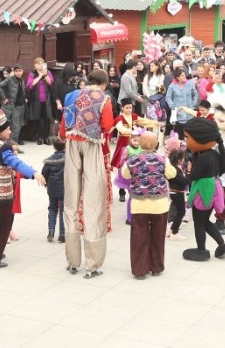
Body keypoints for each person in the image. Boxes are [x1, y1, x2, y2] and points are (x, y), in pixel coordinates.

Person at [62, 69, 116, 279]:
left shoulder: (71, 95)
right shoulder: (104, 98)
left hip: (71, 144)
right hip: (92, 145)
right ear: (103, 83)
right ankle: (92, 265)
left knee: (71, 201)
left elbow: (64, 123)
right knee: (94, 201)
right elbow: (107, 126)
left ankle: (72, 261)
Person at [0, 107, 44, 269]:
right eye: (7, 128)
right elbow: (16, 163)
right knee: (3, 225)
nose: (10, 131)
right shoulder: (3, 147)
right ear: (0, 130)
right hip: (1, 194)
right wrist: (34, 173)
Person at [121, 131, 176, 279]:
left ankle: (140, 270)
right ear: (156, 144)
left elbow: (125, 174)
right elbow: (172, 174)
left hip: (139, 204)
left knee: (139, 237)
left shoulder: (132, 160)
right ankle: (156, 267)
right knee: (158, 236)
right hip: (160, 205)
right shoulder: (163, 159)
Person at [180, 115, 225, 262]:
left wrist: (188, 169)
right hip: (212, 189)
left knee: (199, 223)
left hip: (203, 192)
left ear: (200, 139)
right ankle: (222, 245)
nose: (186, 141)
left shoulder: (203, 158)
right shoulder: (213, 153)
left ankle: (201, 250)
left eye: (187, 138)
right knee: (205, 221)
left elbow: (194, 176)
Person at [41, 137, 66, 243]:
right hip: (65, 188)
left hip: (52, 188)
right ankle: (62, 234)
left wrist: (47, 184)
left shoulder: (49, 160)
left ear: (53, 147)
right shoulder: (69, 159)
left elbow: (44, 174)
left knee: (52, 209)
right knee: (63, 211)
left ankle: (51, 232)